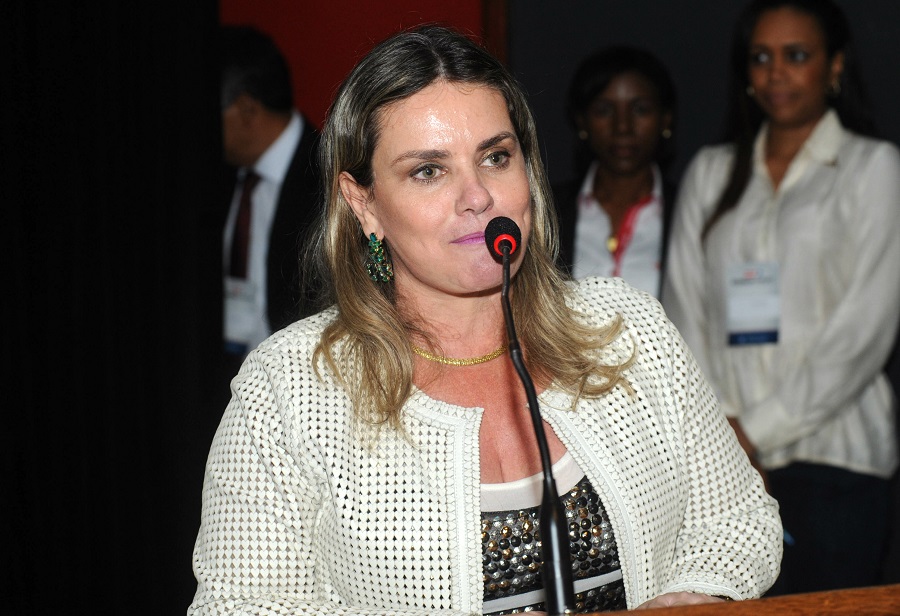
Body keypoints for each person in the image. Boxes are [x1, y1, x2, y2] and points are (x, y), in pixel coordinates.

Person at [190, 25, 781, 615]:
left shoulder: (629, 327)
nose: (477, 196)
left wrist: (696, 594)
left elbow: (738, 518)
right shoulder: (289, 386)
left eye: (496, 157)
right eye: (428, 170)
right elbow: (237, 606)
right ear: (363, 203)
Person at [664, 0, 900, 595]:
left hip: (836, 458)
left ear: (835, 65)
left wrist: (753, 432)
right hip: (720, 471)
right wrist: (722, 435)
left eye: (796, 55)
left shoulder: (874, 168)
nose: (776, 73)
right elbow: (683, 313)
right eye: (761, 57)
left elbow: (864, 331)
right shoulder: (711, 172)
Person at [220, 26, 322, 364]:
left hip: (300, 375)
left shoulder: (330, 177)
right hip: (228, 371)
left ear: (247, 109)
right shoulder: (221, 175)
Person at [556, 47, 676, 298]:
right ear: (581, 120)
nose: (623, 127)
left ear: (665, 119)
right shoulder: (548, 211)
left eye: (640, 109)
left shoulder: (688, 210)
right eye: (605, 110)